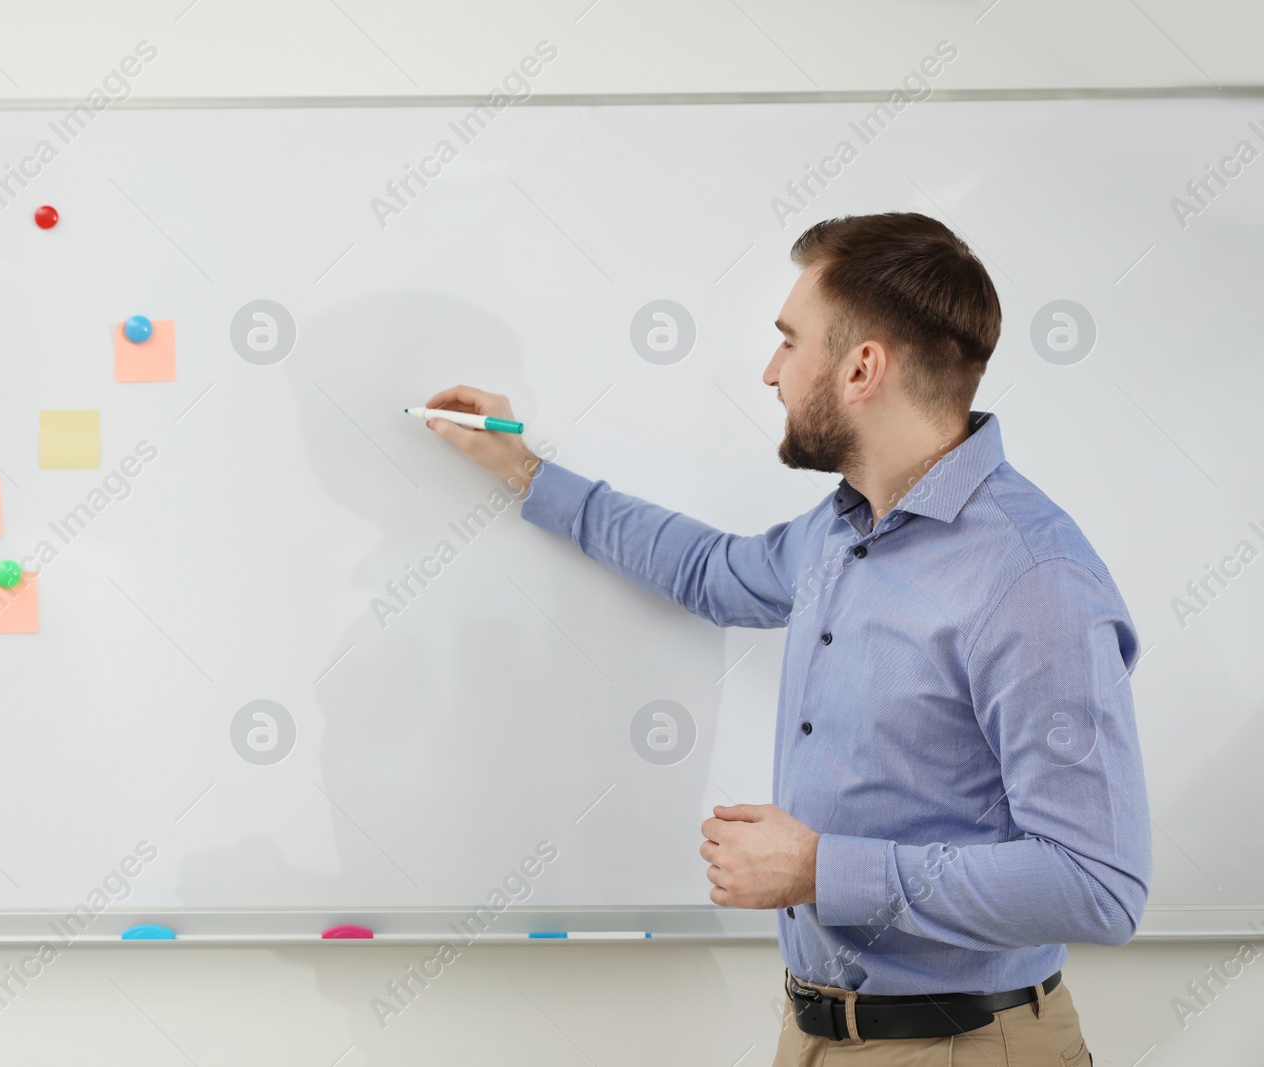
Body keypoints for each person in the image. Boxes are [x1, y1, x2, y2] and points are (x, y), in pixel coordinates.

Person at [421, 212, 1148, 1066]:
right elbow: (710, 570)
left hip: (964, 1046)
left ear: (861, 367)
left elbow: (1098, 884)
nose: (770, 372)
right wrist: (523, 469)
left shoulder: (1032, 582)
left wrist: (821, 871)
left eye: (788, 341)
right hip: (811, 1035)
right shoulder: (840, 532)